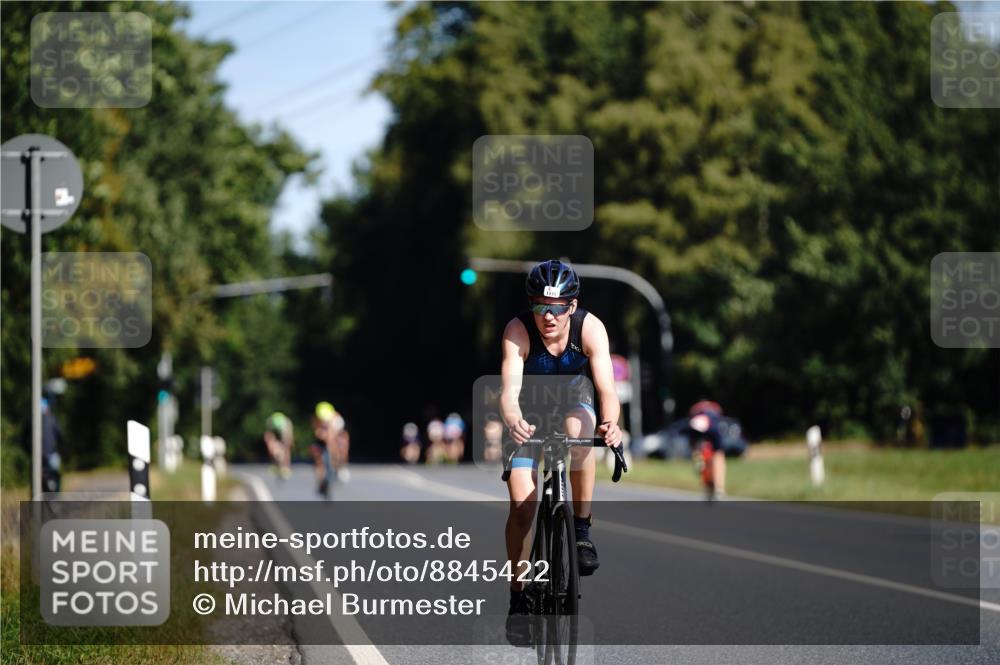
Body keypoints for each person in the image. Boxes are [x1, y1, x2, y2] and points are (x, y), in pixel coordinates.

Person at [499, 259, 623, 643]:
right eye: (540, 306)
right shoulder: (518, 331)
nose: (548, 316)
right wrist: (513, 420)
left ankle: (581, 530)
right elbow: (509, 393)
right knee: (523, 507)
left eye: (556, 308)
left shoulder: (590, 327)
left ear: (572, 305)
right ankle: (518, 594)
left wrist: (611, 423)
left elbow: (606, 389)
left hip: (574, 400)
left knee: (579, 434)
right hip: (528, 411)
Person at [685, 400, 726, 496]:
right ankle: (716, 485)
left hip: (705, 428)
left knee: (715, 456)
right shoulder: (711, 411)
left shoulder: (713, 423)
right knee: (715, 455)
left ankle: (718, 486)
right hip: (705, 426)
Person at [311, 402, 338, 497]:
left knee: (331, 459)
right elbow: (317, 433)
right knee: (319, 463)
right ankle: (320, 482)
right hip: (319, 443)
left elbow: (332, 437)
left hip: (328, 443)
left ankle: (332, 474)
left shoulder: (334, 421)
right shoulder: (316, 420)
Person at [40, 397, 63, 493]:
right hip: (52, 455)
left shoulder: (31, 420)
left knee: (38, 479)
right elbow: (60, 436)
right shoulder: (53, 419)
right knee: (56, 477)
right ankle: (57, 495)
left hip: (38, 456)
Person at [263, 412, 293, 479]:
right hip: (275, 434)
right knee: (271, 446)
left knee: (286, 449)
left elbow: (287, 440)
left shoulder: (287, 424)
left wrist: (285, 446)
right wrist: (271, 445)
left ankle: (286, 467)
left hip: (285, 434)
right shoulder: (270, 422)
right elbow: (268, 435)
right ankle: (275, 464)